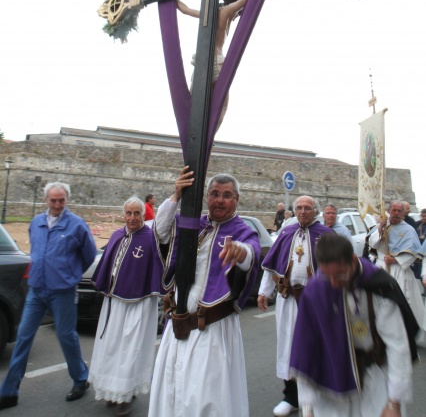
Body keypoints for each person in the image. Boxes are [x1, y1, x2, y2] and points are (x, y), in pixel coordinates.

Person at [147, 167, 260, 417]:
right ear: (206, 196)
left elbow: (251, 251)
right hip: (178, 325)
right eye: (214, 194)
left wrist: (240, 252)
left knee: (206, 397)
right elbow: (161, 232)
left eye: (227, 195)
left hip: (212, 330)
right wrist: (176, 195)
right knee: (172, 391)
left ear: (237, 199)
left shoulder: (242, 231)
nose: (220, 200)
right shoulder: (193, 224)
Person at [290, 233, 418, 417]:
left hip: (376, 380)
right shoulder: (315, 292)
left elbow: (397, 345)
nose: (334, 283)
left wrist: (394, 403)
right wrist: (308, 407)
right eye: (327, 275)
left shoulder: (378, 286)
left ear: (353, 260)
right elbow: (306, 350)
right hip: (331, 384)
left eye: (339, 274)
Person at [0, 182, 97, 411]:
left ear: (67, 200)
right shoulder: (36, 223)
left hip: (62, 291)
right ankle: (10, 391)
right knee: (23, 336)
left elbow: (89, 254)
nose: (57, 204)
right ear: (46, 200)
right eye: (53, 200)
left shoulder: (76, 225)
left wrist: (71, 275)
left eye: (61, 200)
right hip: (37, 290)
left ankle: (80, 378)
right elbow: (36, 250)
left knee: (66, 336)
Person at [257, 195, 333, 417]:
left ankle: (317, 396)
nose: (302, 211)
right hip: (288, 300)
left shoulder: (327, 236)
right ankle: (291, 397)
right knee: (288, 347)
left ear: (315, 211)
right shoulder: (287, 232)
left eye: (307, 208)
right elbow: (271, 266)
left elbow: (339, 270)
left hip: (316, 304)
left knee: (315, 347)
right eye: (299, 208)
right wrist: (263, 292)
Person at [88, 196, 163, 416]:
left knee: (130, 350)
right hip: (114, 304)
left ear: (143, 215)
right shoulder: (116, 235)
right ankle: (111, 390)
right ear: (123, 215)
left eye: (137, 213)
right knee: (111, 348)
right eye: (128, 213)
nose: (132, 218)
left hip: (138, 305)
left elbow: (155, 270)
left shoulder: (150, 239)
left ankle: (126, 394)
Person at [177, 0, 247, 129]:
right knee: (222, 105)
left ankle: (195, 131)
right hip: (216, 62)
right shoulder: (226, 11)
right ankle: (210, 135)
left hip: (201, 62)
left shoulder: (208, 15)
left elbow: (185, 10)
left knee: (194, 104)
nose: (235, 18)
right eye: (237, 14)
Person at [368, 201, 424, 326]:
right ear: (389, 211)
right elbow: (372, 244)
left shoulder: (409, 230)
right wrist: (380, 229)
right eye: (394, 210)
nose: (396, 213)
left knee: (400, 304)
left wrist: (395, 260)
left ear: (403, 213)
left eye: (399, 211)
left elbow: (413, 254)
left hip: (399, 271)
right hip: (381, 268)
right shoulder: (382, 226)